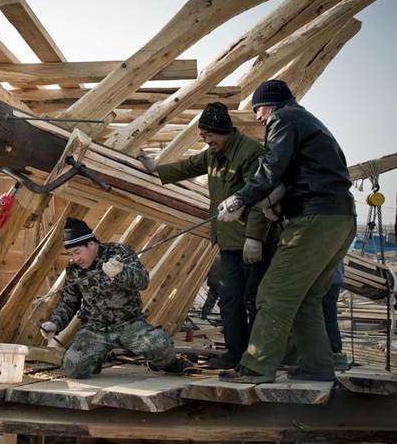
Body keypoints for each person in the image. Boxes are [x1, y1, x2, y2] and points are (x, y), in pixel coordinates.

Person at [217, 79, 356, 383]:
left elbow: (272, 167)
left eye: (258, 109)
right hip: (339, 217)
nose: (258, 117)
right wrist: (279, 204)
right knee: (307, 297)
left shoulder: (284, 118)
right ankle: (317, 365)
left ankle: (256, 365)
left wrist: (240, 199)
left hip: (314, 219)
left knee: (273, 292)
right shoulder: (309, 122)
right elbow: (305, 171)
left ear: (271, 103)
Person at [139, 102, 279, 369]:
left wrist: (255, 237)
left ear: (223, 131)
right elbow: (188, 166)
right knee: (230, 300)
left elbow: (262, 196)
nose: (205, 141)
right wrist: (156, 168)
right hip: (228, 241)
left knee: (255, 300)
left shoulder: (250, 152)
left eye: (208, 135)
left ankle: (258, 357)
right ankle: (234, 354)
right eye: (202, 136)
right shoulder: (214, 154)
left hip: (252, 242)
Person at [40, 218, 189, 379]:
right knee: (72, 368)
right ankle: (97, 358)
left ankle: (163, 362)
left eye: (77, 252)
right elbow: (69, 302)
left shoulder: (119, 253)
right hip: (95, 328)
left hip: (129, 324)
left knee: (162, 348)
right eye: (71, 254)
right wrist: (55, 323)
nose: (75, 258)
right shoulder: (73, 270)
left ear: (91, 244)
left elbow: (143, 281)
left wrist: (120, 273)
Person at [323, 261, 349, 370]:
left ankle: (334, 352)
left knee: (327, 318)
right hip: (335, 280)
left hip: (327, 281)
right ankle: (335, 351)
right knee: (330, 317)